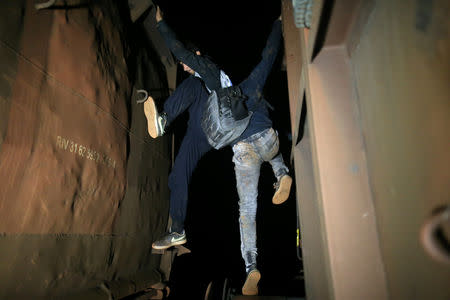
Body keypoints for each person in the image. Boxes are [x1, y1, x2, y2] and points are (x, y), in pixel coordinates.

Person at [148, 5, 292, 296]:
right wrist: (278, 24)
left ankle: (251, 265)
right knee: (271, 148)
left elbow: (187, 57)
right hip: (250, 139)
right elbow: (268, 56)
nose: (185, 67)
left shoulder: (211, 78)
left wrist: (162, 25)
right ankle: (281, 173)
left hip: (237, 148)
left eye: (189, 63)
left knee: (247, 210)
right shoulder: (251, 88)